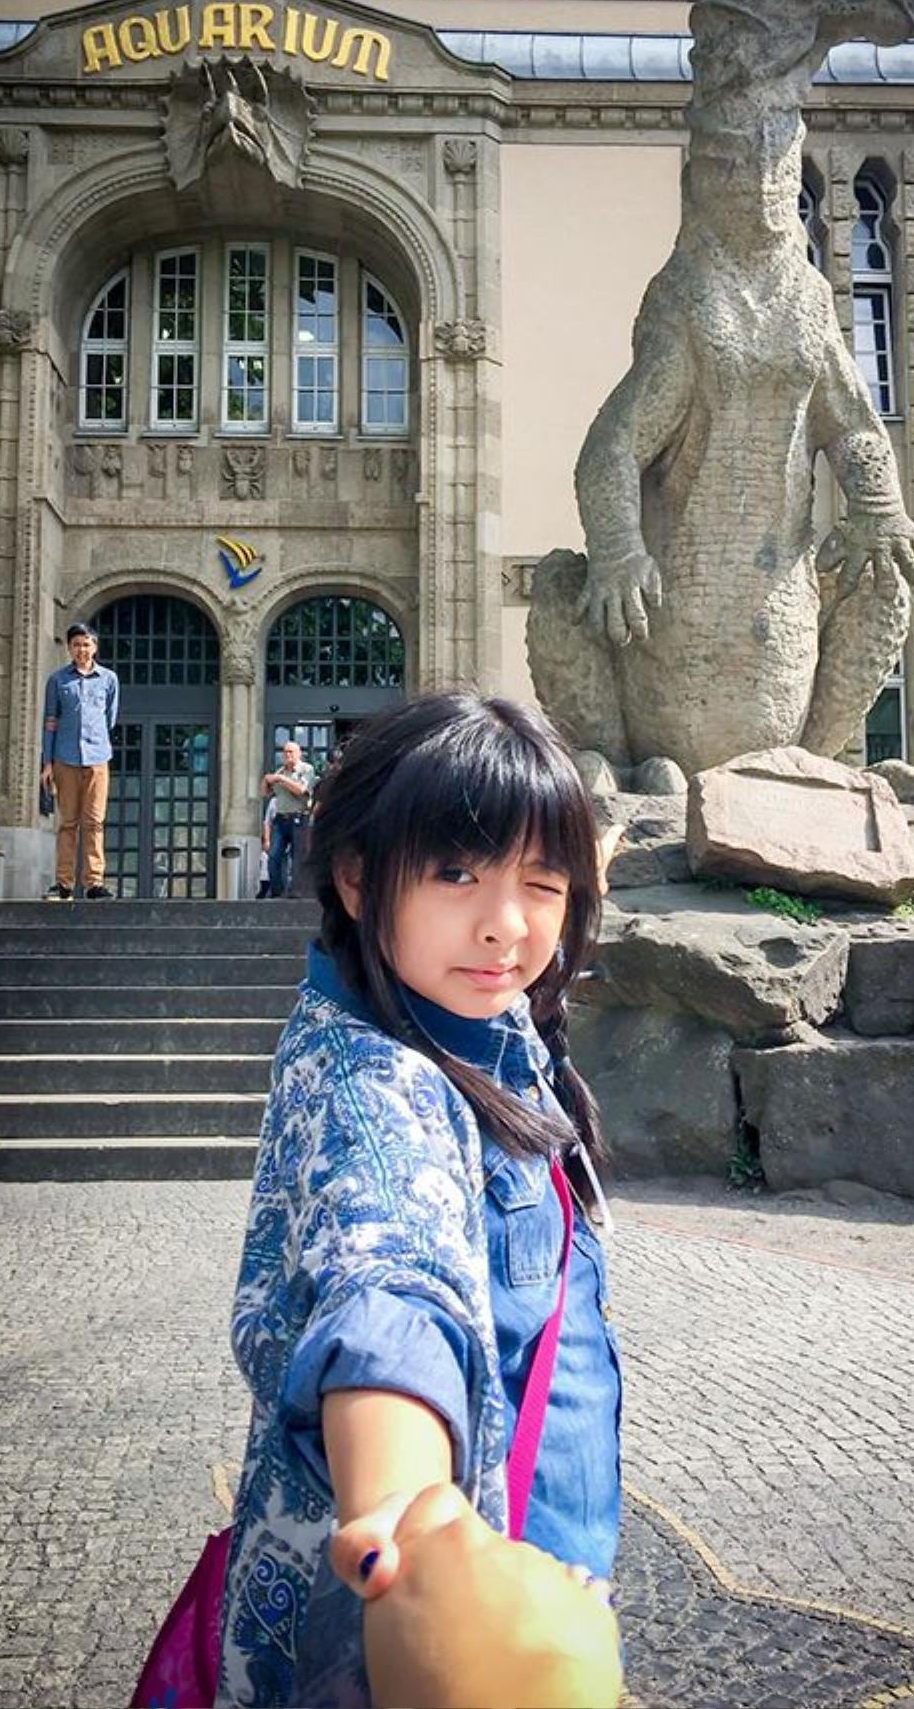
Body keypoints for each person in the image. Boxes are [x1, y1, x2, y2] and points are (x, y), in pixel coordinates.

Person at [217, 692, 623, 1709]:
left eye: (543, 881)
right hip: (454, 1634)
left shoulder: (473, 1015)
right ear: (355, 874)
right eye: (456, 872)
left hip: (537, 1583)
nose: (507, 924)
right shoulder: (375, 1084)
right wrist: (407, 1513)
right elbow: (389, 1281)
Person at [40, 620, 120, 900]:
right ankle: (64, 883)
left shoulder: (109, 679)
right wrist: (47, 762)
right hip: (65, 757)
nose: (82, 649)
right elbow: (50, 721)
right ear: (70, 648)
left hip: (98, 757)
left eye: (86, 644)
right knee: (68, 823)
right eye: (76, 644)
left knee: (95, 822)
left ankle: (94, 882)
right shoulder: (58, 680)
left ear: (95, 647)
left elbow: (110, 718)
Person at [259, 737, 316, 897]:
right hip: (280, 819)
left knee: (298, 857)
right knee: (273, 856)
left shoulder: (306, 769)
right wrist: (265, 779)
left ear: (299, 754)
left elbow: (301, 790)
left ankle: (296, 892)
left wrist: (281, 779)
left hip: (299, 818)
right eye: (285, 752)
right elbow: (265, 793)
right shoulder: (279, 771)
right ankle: (277, 892)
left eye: (291, 752)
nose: (287, 755)